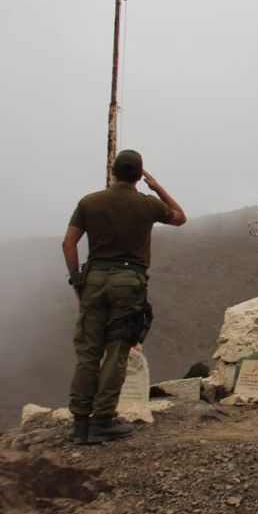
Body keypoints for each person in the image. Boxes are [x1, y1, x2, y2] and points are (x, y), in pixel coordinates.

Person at [63, 150, 186, 444]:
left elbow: (69, 244)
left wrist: (78, 281)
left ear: (114, 172)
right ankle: (103, 419)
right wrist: (156, 187)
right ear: (138, 175)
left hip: (94, 280)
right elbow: (180, 218)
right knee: (117, 351)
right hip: (129, 282)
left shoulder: (89, 202)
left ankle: (80, 423)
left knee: (89, 351)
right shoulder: (147, 204)